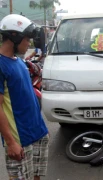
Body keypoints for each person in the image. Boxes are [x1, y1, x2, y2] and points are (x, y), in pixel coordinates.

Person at [0, 14, 49, 180]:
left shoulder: (19, 62)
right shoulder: (1, 65)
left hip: (38, 133)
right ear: (15, 36)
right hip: (20, 139)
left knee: (37, 176)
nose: (29, 43)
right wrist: (11, 142)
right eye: (27, 39)